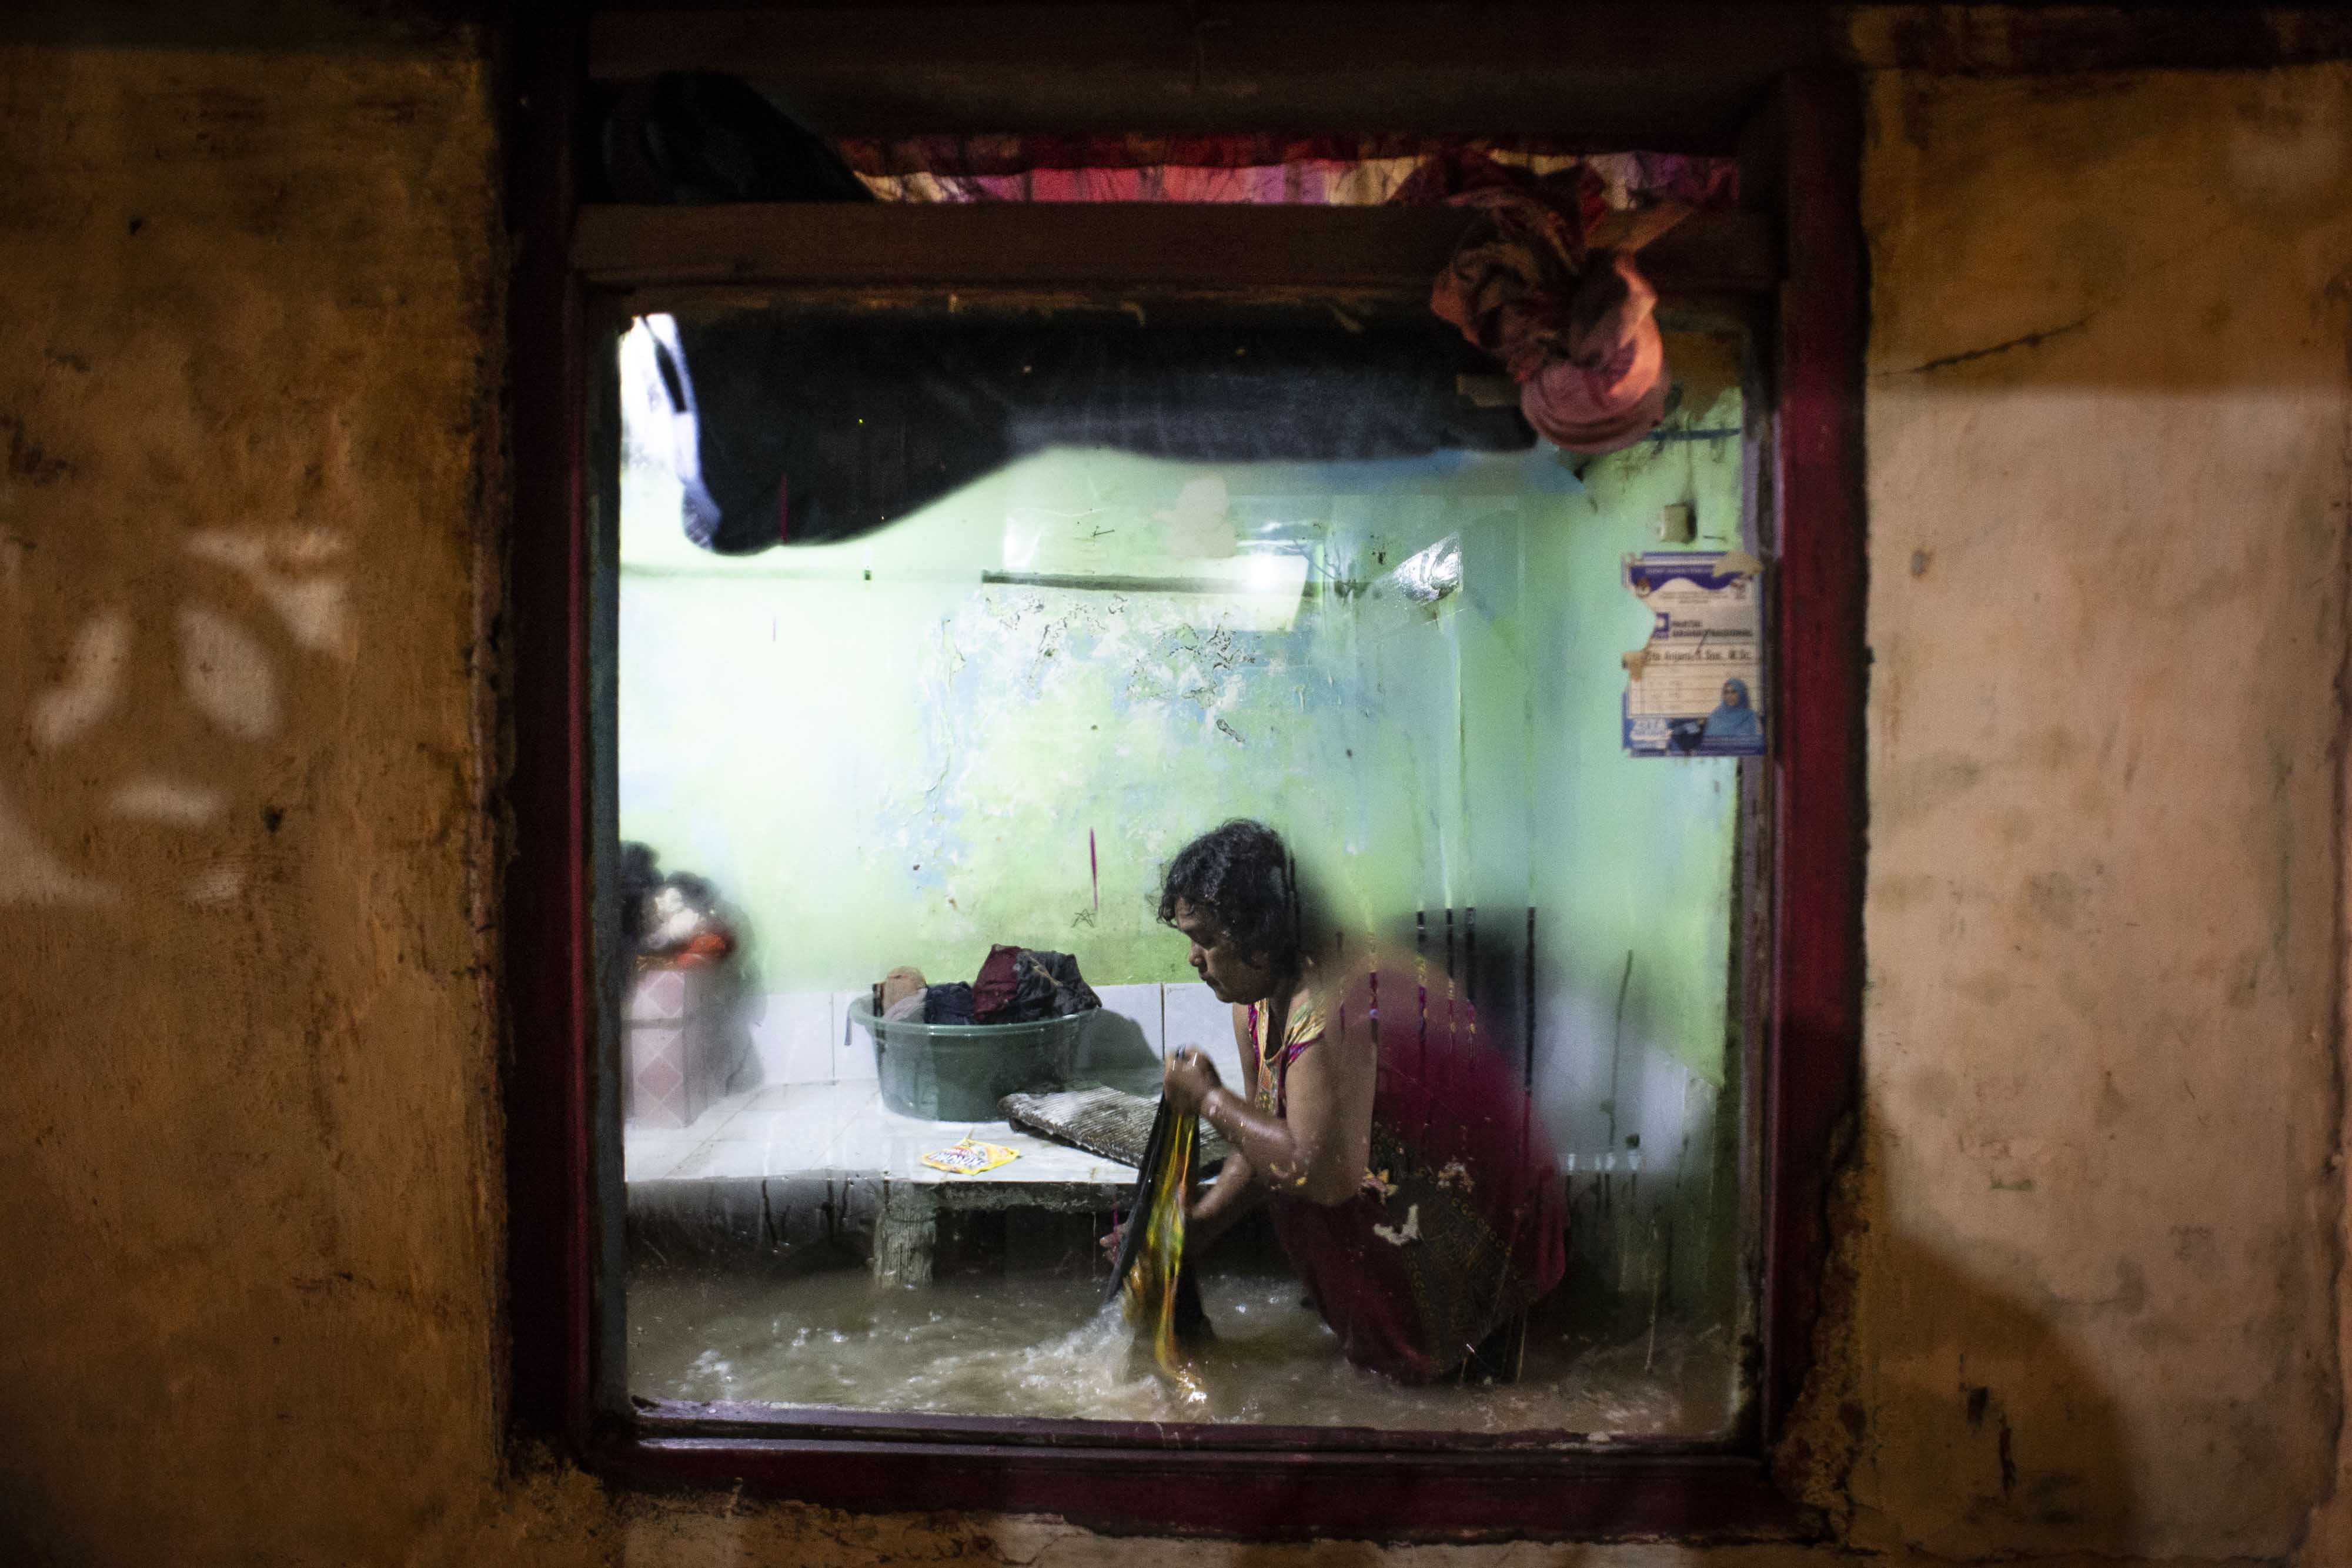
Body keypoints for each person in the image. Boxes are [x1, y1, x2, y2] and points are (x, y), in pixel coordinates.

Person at [1125, 819, 1566, 1383]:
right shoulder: (1258, 999)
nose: (1193, 957)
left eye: (1207, 938)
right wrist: (1196, 1228)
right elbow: (1269, 1132)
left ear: (1261, 936)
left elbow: (1324, 1170)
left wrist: (1210, 1100)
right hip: (1409, 1194)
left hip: (1481, 1213)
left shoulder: (1333, 998)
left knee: (1467, 1399)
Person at [1701, 677, 1761, 741]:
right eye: (1727, 692)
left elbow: (1758, 742)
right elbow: (1707, 742)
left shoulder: (1751, 717)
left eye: (1734, 692)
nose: (1730, 696)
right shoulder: (1715, 716)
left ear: (1742, 694)